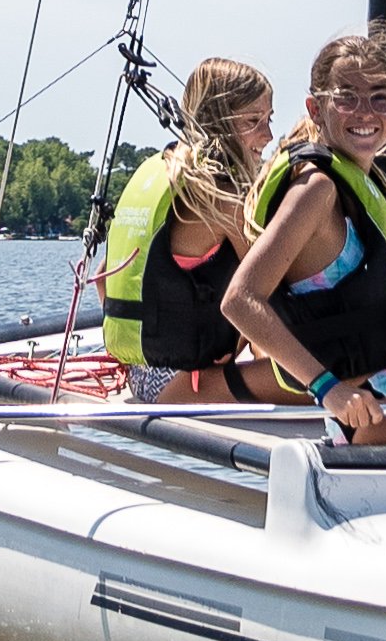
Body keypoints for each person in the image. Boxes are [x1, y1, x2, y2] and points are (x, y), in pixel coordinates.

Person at [220, 21, 386, 439]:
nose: (365, 112)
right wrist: (328, 389)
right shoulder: (317, 189)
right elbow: (240, 300)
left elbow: (339, 310)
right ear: (315, 109)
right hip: (366, 408)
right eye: (346, 98)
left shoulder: (357, 180)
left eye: (380, 99)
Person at [91, 57, 273, 399]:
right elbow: (270, 298)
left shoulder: (162, 172)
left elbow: (104, 276)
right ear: (219, 122)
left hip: (142, 375)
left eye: (268, 119)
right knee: (324, 377)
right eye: (254, 121)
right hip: (184, 382)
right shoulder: (223, 201)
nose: (268, 135)